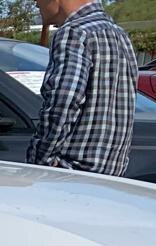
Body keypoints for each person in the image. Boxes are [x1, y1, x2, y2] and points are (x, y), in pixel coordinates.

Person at [28, 0, 138, 176]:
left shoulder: (74, 32)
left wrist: (39, 161)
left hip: (68, 173)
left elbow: (63, 101)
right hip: (111, 175)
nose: (36, 4)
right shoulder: (120, 35)